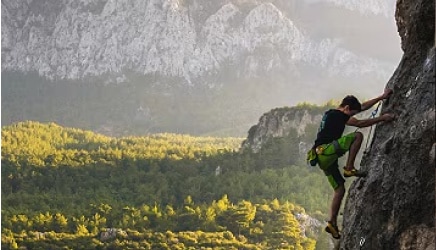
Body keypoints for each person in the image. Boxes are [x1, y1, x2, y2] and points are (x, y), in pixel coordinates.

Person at [309, 89, 395, 239]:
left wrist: (381, 97)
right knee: (357, 136)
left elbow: (361, 107)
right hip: (326, 151)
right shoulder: (339, 115)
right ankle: (349, 168)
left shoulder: (334, 114)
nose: (352, 116)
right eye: (351, 113)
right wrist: (383, 118)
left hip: (321, 157)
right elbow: (360, 124)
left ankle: (332, 223)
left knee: (339, 189)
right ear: (347, 108)